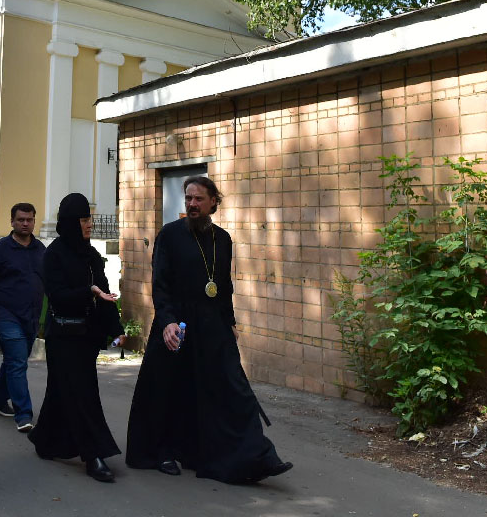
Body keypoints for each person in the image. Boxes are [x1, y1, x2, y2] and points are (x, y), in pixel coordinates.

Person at [125, 176, 294, 484]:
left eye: (198, 199)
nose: (191, 204)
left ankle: (254, 457)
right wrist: (167, 322)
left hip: (212, 322)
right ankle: (161, 451)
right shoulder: (170, 235)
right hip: (177, 323)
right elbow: (161, 285)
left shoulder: (223, 239)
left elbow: (224, 286)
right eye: (188, 198)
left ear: (214, 201)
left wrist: (230, 322)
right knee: (169, 388)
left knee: (232, 388)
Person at [28, 193, 126, 483]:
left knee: (62, 389)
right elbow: (57, 296)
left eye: (90, 219)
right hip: (63, 335)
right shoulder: (54, 255)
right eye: (84, 219)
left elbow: (105, 293)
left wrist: (117, 328)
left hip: (86, 335)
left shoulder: (91, 255)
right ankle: (93, 454)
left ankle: (46, 438)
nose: (89, 225)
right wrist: (89, 291)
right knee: (83, 392)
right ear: (71, 222)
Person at [0, 202, 46, 433]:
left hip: (31, 317)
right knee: (17, 361)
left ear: (34, 221)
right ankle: (24, 414)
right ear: (12, 221)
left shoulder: (40, 249)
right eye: (21, 220)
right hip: (5, 314)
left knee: (13, 362)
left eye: (29, 219)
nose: (25, 223)